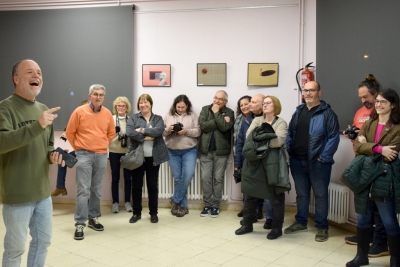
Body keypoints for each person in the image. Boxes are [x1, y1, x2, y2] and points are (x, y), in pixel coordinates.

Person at [0, 59, 64, 266]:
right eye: (30, 72)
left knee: (42, 242)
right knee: (15, 249)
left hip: (43, 193)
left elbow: (47, 146)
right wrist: (37, 125)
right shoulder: (5, 108)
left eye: (39, 72)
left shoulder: (43, 109)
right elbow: (2, 142)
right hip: (17, 193)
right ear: (16, 79)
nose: (37, 76)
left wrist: (51, 156)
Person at [344, 88, 400, 267]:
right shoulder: (369, 123)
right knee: (363, 218)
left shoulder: (398, 128)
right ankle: (362, 256)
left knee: (389, 220)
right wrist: (379, 148)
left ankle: (396, 260)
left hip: (384, 177)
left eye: (383, 102)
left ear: (392, 105)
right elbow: (358, 147)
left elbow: (392, 153)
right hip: (365, 177)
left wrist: (368, 146)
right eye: (378, 102)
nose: (379, 105)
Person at [285, 81, 340, 242]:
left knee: (320, 195)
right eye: (305, 90)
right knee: (301, 194)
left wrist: (323, 158)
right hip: (297, 160)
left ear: (319, 92)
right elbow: (290, 133)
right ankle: (301, 222)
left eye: (311, 90)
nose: (308, 93)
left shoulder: (327, 113)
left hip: (318, 163)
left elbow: (333, 137)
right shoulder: (298, 111)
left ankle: (322, 227)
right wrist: (290, 151)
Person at [342, 75, 389, 258]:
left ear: (375, 94)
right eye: (361, 97)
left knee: (379, 206)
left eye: (366, 97)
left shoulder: (383, 115)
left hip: (378, 165)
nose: (363, 101)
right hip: (361, 161)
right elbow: (359, 135)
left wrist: (364, 143)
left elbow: (379, 142)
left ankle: (380, 242)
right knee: (364, 204)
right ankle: (366, 235)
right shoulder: (360, 111)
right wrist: (352, 136)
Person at [65, 84, 115, 240]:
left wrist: (102, 145)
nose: (98, 97)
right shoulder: (79, 112)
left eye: (101, 95)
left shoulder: (107, 113)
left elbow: (111, 133)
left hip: (101, 155)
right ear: (89, 96)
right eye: (95, 94)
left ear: (104, 98)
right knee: (83, 190)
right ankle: (80, 223)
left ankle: (93, 218)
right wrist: (79, 148)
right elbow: (70, 132)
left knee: (96, 189)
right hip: (83, 155)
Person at [235, 96, 289, 240]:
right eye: (263, 103)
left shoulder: (281, 122)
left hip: (274, 164)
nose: (265, 105)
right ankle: (247, 224)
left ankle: (277, 228)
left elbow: (278, 141)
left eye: (268, 103)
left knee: (276, 196)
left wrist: (260, 139)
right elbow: (249, 138)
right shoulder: (257, 120)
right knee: (250, 194)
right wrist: (266, 138)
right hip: (254, 163)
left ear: (275, 105)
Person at [126, 94, 169, 224]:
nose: (143, 105)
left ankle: (154, 214)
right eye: (141, 103)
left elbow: (159, 131)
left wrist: (142, 130)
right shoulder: (133, 117)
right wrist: (148, 136)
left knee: (152, 186)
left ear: (151, 104)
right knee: (137, 186)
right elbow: (130, 132)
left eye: (146, 103)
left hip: (153, 158)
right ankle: (136, 213)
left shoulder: (158, 118)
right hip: (138, 157)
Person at [234, 94, 272, 227]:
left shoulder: (270, 119)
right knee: (249, 191)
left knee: (265, 190)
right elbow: (240, 143)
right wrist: (237, 164)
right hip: (248, 160)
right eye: (249, 102)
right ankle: (251, 216)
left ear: (262, 105)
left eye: (252, 102)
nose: (249, 104)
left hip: (265, 160)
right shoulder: (246, 120)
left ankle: (267, 217)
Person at [163, 95, 201, 217]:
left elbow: (198, 132)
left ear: (187, 106)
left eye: (183, 107)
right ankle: (182, 206)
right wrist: (169, 130)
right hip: (172, 151)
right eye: (178, 107)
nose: (180, 109)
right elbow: (162, 132)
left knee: (188, 175)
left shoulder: (193, 115)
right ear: (175, 105)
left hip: (189, 150)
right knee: (178, 178)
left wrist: (186, 131)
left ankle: (175, 199)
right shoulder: (168, 115)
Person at [198, 90, 234, 218]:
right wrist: (220, 120)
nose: (217, 101)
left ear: (225, 101)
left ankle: (216, 206)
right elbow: (203, 126)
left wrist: (216, 114)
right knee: (205, 178)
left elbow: (225, 128)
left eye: (220, 99)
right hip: (205, 151)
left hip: (221, 152)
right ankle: (207, 204)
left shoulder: (230, 112)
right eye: (215, 98)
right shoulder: (205, 109)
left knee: (218, 179)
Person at [51, 99, 89, 197]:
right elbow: (67, 135)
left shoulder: (95, 122)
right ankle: (60, 187)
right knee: (61, 157)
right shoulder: (78, 121)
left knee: (85, 178)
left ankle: (88, 202)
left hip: (90, 153)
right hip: (78, 152)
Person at [109, 96, 133, 213]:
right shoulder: (111, 119)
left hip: (127, 152)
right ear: (115, 107)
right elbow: (106, 135)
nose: (121, 108)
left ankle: (127, 202)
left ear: (127, 107)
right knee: (115, 178)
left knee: (128, 178)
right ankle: (115, 203)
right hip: (114, 151)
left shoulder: (131, 120)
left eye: (123, 105)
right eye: (119, 105)